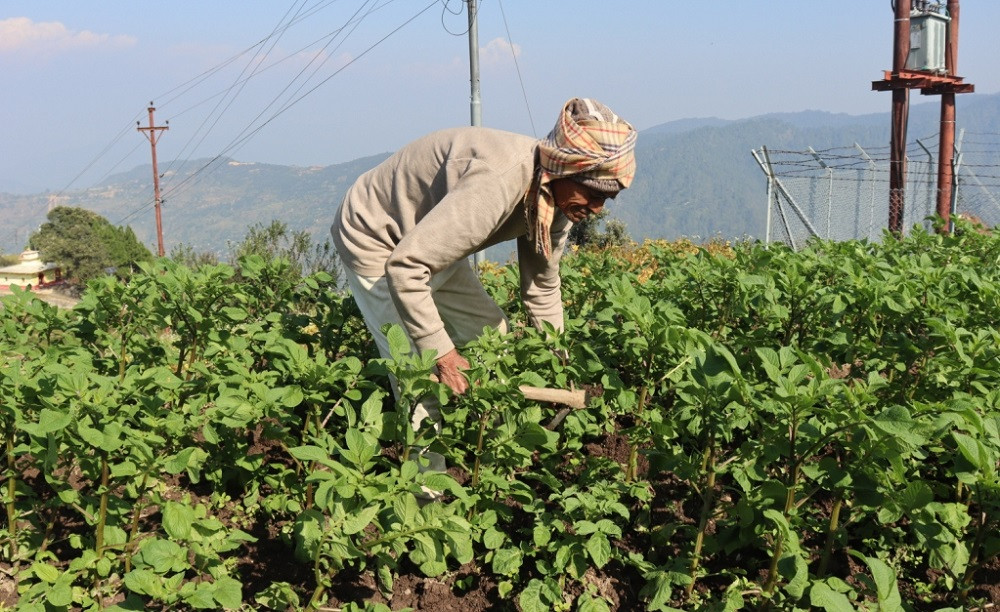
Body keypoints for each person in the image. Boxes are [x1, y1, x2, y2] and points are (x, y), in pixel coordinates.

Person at [331, 98, 637, 486]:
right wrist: (442, 353)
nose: (596, 208)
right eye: (591, 193)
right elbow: (406, 267)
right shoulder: (499, 182)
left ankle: (489, 454)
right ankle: (427, 501)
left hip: (425, 242)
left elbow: (542, 285)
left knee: (493, 333)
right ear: (563, 168)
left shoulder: (556, 203)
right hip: (378, 238)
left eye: (605, 199)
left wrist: (560, 362)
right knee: (417, 376)